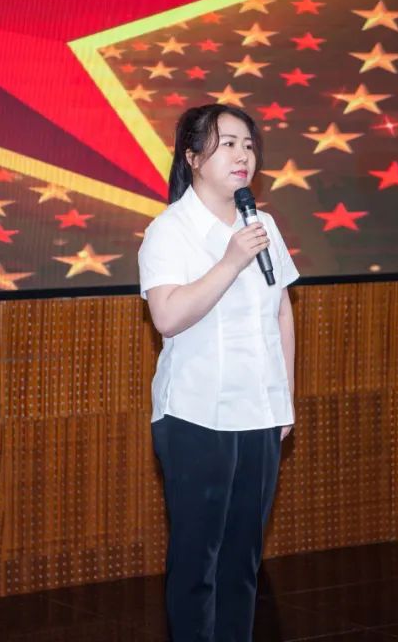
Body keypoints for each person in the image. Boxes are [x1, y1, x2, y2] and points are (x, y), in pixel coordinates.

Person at [137, 104, 298, 642]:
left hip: (260, 412)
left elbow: (281, 310)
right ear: (192, 157)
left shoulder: (263, 224)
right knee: (197, 565)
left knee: (243, 562)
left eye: (248, 144)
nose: (242, 155)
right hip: (196, 415)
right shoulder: (169, 230)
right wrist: (230, 261)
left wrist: (284, 398)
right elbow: (167, 316)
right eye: (227, 143)